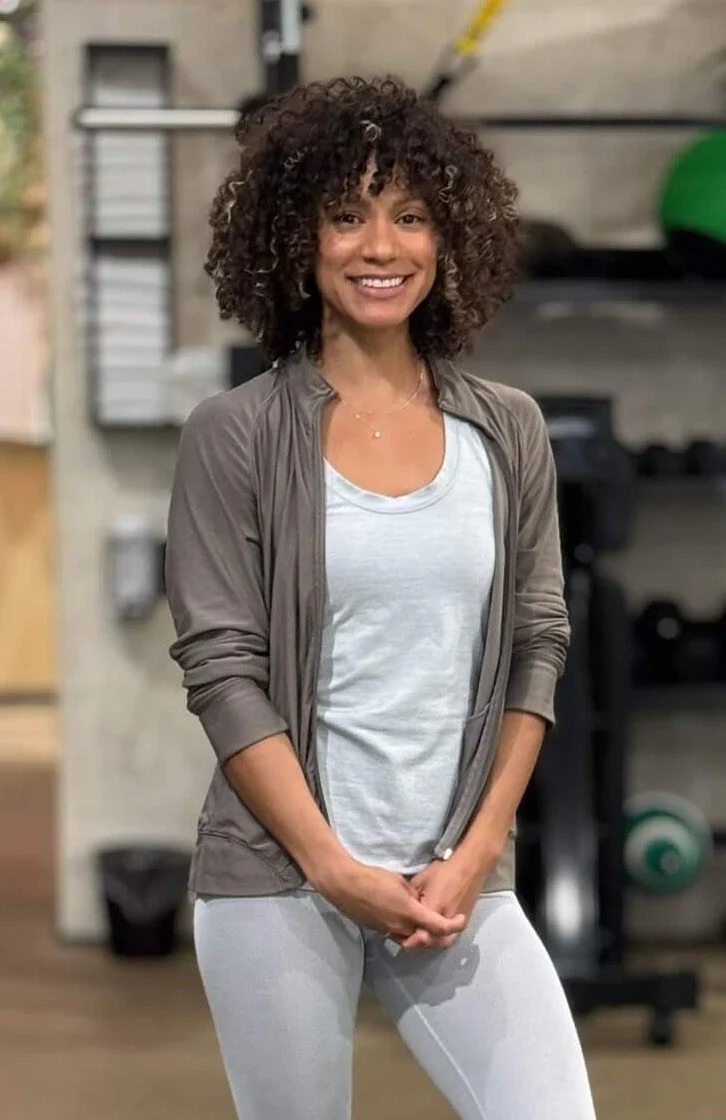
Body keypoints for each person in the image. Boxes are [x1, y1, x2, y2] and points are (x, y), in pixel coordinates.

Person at [165, 75, 597, 1120]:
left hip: (454, 873)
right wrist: (331, 863)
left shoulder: (508, 429)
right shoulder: (235, 435)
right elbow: (225, 671)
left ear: (448, 239)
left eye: (409, 215)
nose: (380, 245)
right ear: (296, 237)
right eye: (347, 214)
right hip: (281, 876)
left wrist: (481, 847)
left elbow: (538, 641)